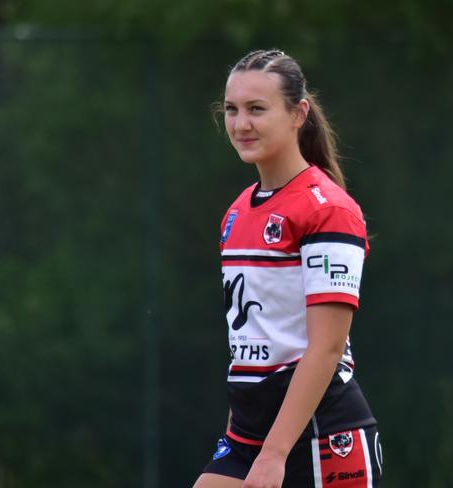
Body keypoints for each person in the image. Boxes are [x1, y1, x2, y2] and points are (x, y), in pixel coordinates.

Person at [193, 49, 382, 488]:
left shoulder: (329, 209)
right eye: (232, 110)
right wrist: (240, 439)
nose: (241, 124)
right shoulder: (237, 213)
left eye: (257, 109)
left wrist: (273, 456)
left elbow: (326, 348)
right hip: (248, 436)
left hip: (321, 438)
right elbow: (251, 346)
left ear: (299, 114)